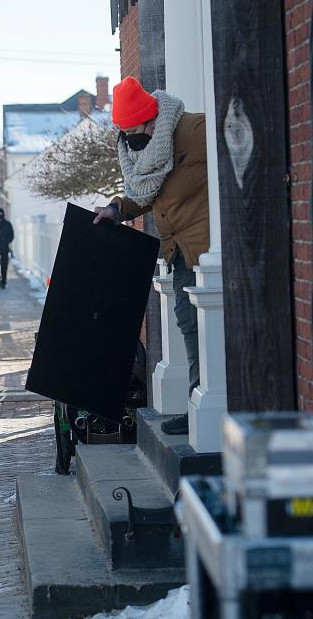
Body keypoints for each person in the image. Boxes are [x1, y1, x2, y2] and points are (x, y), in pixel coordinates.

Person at [93, 76, 208, 436]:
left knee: (197, 324)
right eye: (124, 134)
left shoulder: (196, 130)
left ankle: (203, 407)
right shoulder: (144, 152)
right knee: (190, 326)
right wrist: (117, 208)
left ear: (153, 118)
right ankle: (198, 403)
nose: (130, 141)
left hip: (205, 249)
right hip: (176, 250)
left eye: (134, 131)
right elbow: (145, 194)